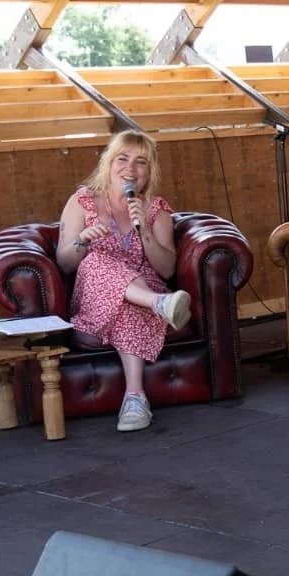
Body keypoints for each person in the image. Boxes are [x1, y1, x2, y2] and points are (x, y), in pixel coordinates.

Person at [55, 130, 192, 432]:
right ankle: (161, 304)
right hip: (93, 299)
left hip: (143, 293)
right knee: (97, 260)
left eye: (140, 162)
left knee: (129, 305)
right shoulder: (83, 201)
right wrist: (81, 241)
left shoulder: (156, 209)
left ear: (149, 172)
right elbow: (64, 263)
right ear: (108, 163)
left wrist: (144, 230)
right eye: (123, 158)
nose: (130, 168)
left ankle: (134, 398)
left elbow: (167, 270)